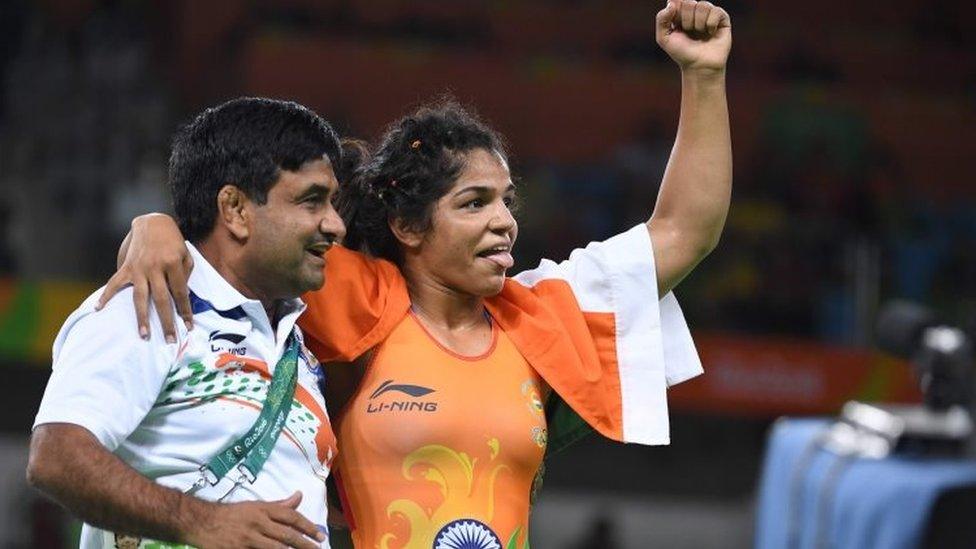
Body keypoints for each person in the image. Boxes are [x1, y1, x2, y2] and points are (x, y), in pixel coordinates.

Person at [103, 1, 732, 547]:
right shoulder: (343, 298)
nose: (505, 222)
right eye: (474, 203)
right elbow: (243, 243)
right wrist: (159, 225)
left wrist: (704, 76)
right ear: (407, 227)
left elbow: (683, 233)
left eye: (506, 202)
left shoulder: (541, 317)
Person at [27, 97, 347, 549]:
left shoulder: (297, 341)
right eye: (312, 201)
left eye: (333, 202)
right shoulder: (149, 304)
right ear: (235, 209)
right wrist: (201, 521)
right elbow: (55, 455)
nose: (336, 225)